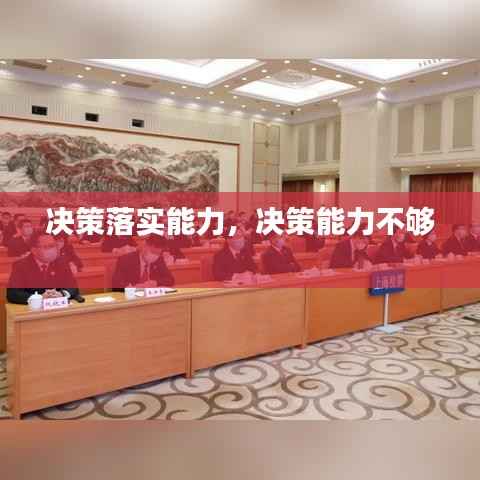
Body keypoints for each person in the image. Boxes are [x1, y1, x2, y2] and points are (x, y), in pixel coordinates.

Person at [7, 233, 79, 304]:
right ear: (34, 250)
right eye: (47, 246)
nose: (52, 250)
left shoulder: (62, 263)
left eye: (53, 245)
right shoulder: (21, 266)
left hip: (56, 306)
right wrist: (39, 297)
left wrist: (61, 294)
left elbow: (73, 288)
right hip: (33, 309)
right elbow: (13, 294)